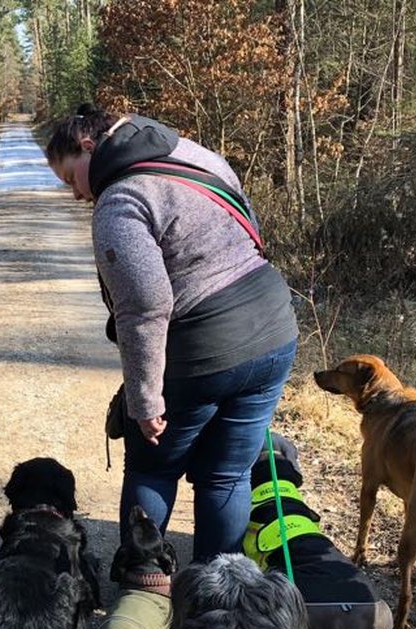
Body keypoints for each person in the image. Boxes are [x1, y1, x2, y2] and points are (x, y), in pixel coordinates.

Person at [45, 104, 299, 561]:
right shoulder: (193, 154)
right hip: (274, 328)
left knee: (152, 466)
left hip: (203, 346)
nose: (78, 195)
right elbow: (248, 226)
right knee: (228, 474)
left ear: (87, 147)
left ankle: (143, 587)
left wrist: (144, 402)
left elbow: (146, 306)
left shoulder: (120, 200)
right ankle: (217, 598)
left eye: (70, 179)